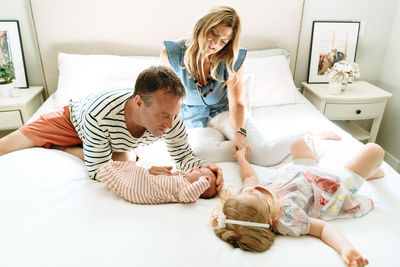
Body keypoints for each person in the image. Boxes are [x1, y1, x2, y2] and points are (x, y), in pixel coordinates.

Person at [160, 5, 340, 166]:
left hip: (227, 113)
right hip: (194, 118)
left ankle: (305, 137)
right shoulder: (172, 53)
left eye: (224, 41)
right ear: (203, 25)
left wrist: (239, 133)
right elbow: (162, 96)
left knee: (265, 156)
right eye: (214, 33)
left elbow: (237, 102)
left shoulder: (231, 58)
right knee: (199, 154)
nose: (215, 43)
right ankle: (244, 148)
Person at [0, 66, 223, 192]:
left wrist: (205, 168)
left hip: (114, 142)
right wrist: (145, 174)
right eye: (164, 115)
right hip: (73, 123)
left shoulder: (170, 115)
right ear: (139, 103)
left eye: (175, 114)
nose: (170, 124)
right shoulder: (100, 114)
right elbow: (98, 171)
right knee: (6, 147)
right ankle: (64, 148)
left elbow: (183, 155)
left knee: (126, 161)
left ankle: (83, 149)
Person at [211, 138, 385, 267]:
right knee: (374, 150)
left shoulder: (246, 197)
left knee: (297, 142)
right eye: (256, 195)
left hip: (303, 170)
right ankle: (367, 174)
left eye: (249, 191)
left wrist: (241, 158)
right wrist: (345, 249)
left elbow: (249, 177)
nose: (252, 189)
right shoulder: (288, 219)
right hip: (331, 185)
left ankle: (324, 157)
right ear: (270, 220)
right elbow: (324, 229)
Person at [97, 160, 217, 204]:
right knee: (130, 169)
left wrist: (203, 182)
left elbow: (186, 196)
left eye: (200, 172)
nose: (196, 169)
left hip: (143, 188)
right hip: (147, 181)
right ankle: (109, 170)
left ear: (200, 189)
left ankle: (106, 170)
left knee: (135, 173)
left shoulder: (186, 189)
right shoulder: (182, 177)